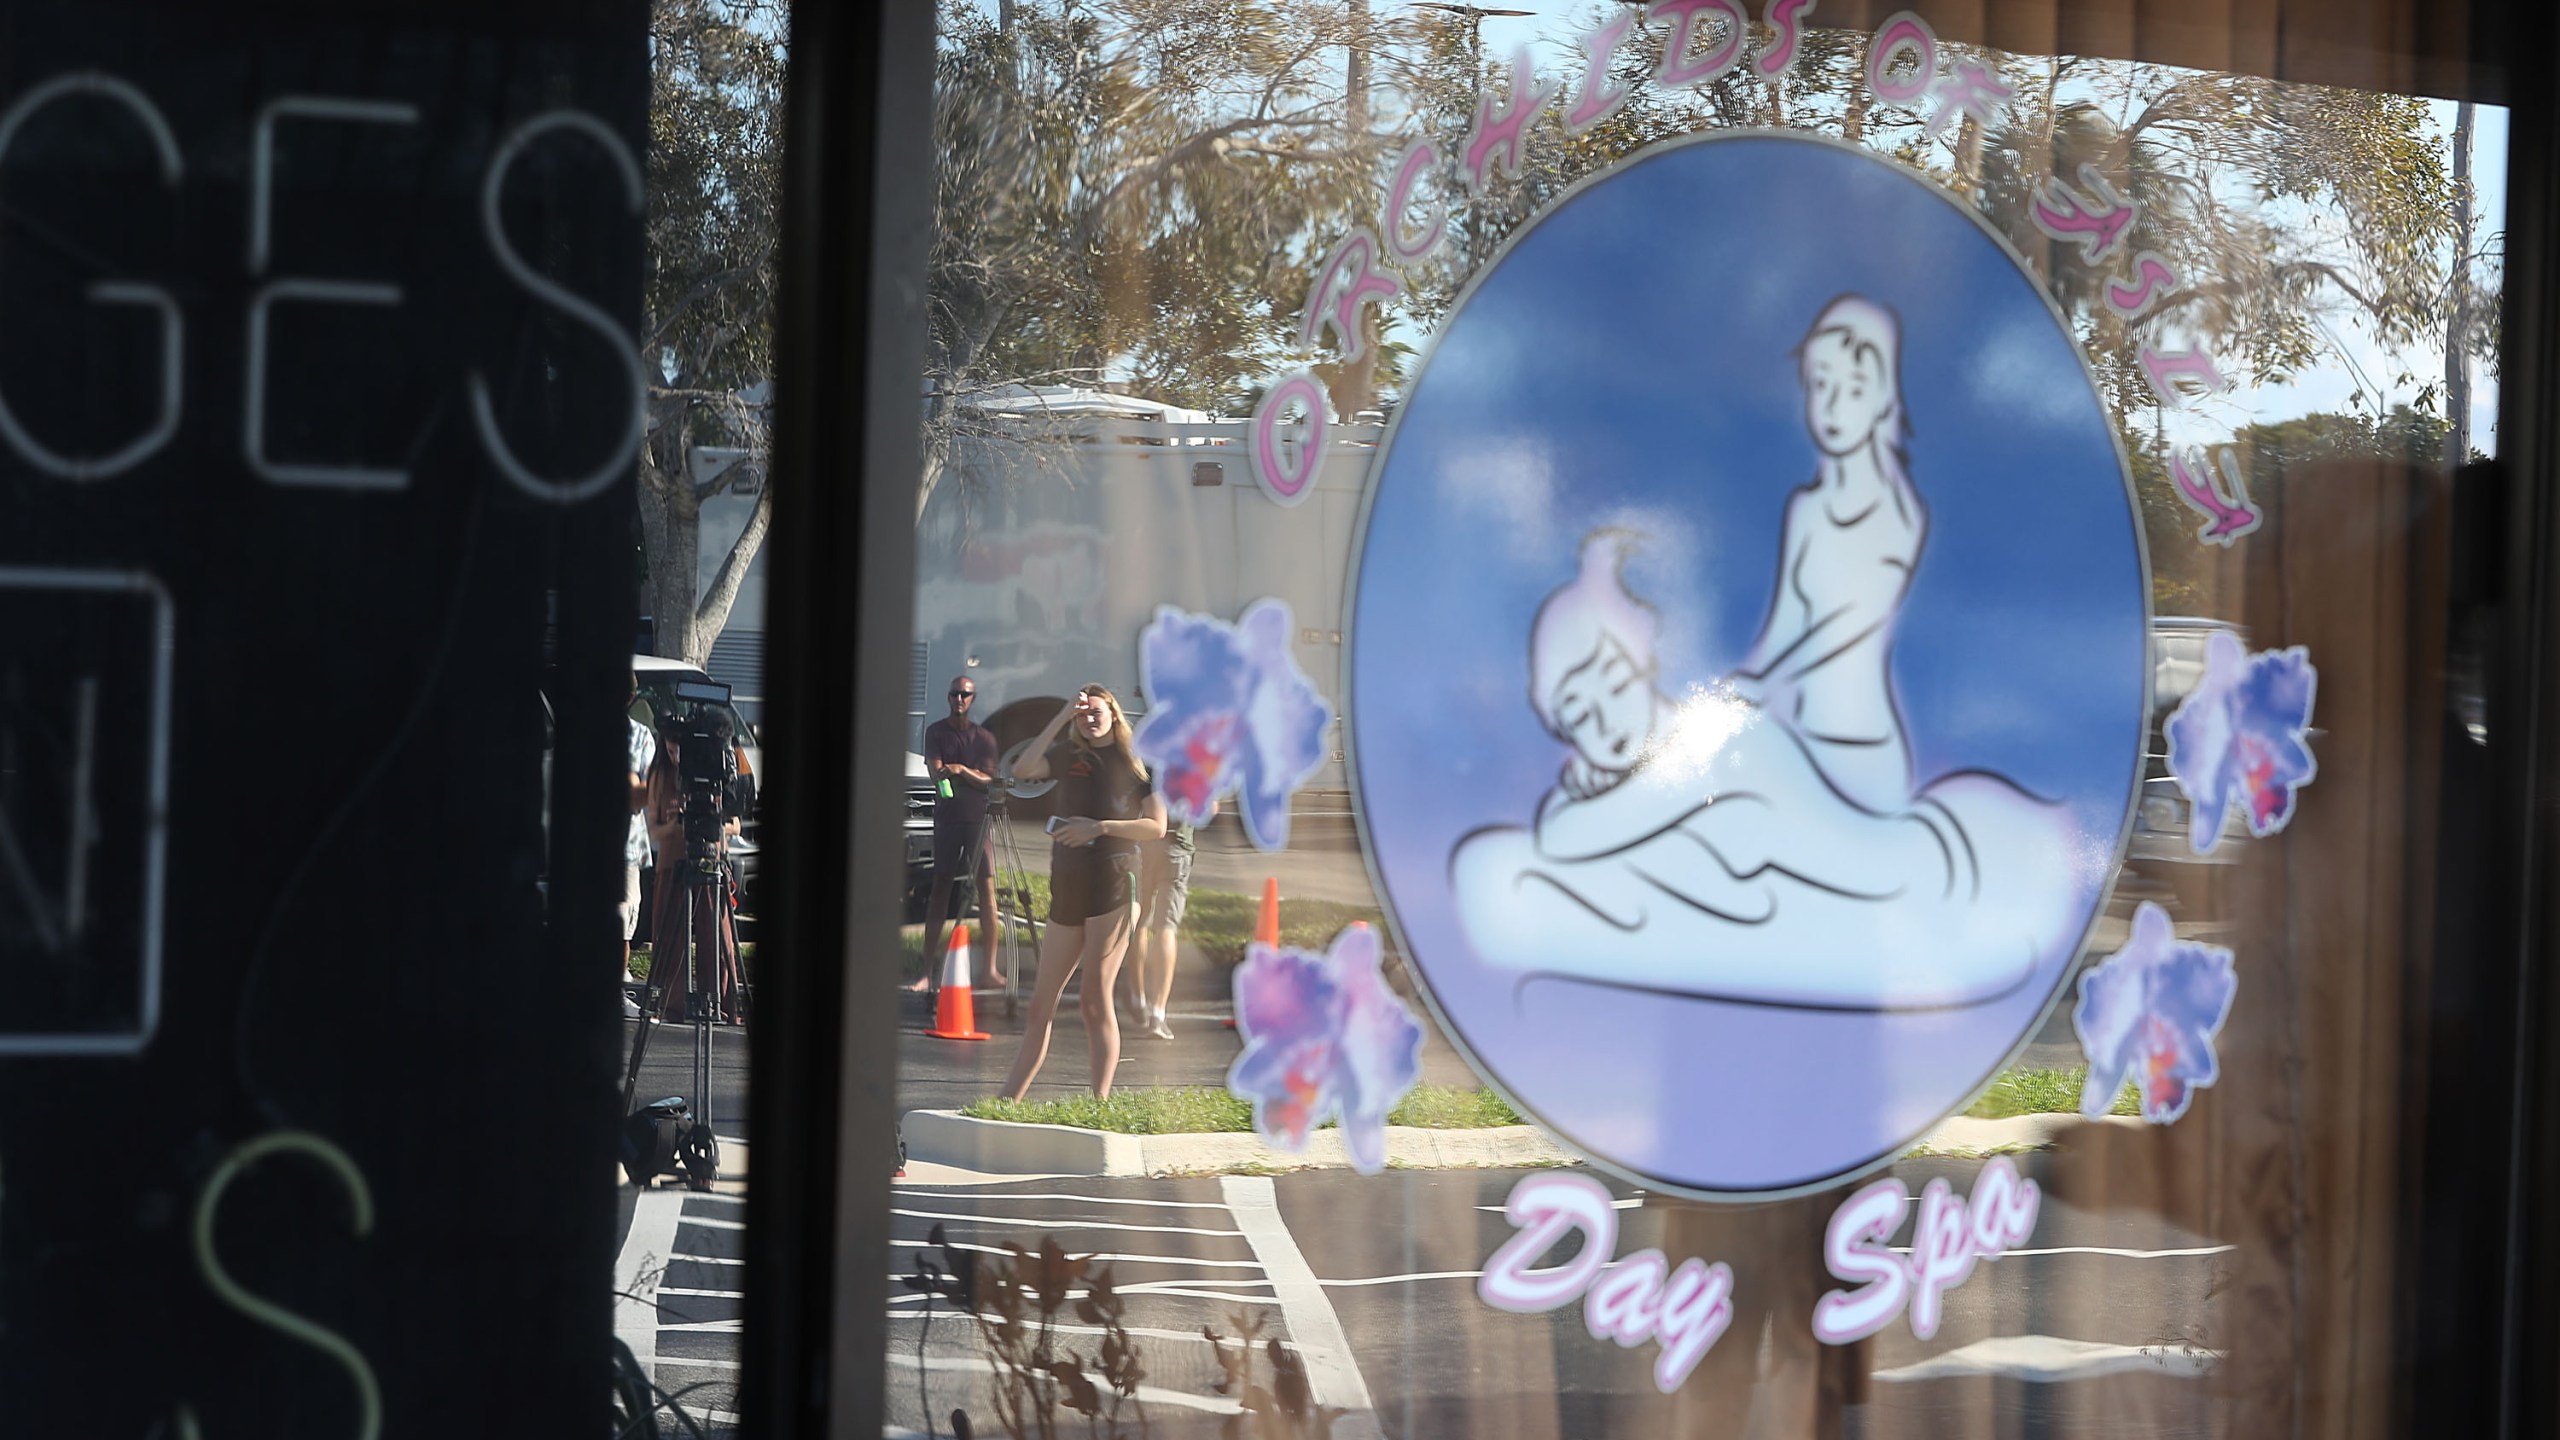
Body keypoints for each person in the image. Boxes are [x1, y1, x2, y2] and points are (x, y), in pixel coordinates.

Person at [1451, 294, 2079, 1011]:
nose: (1833, 405)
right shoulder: (1807, 510)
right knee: (1731, 824)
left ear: (1883, 399)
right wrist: (1745, 686)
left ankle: (1902, 877)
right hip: (1790, 727)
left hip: (1854, 746)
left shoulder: (1896, 514)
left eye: (1852, 387)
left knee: (1747, 793)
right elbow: (1783, 630)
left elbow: (1837, 631)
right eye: (1821, 387)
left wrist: (1750, 697)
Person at [997, 685, 1167, 1099]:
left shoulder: (1137, 762)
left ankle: (1099, 1102)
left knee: (1094, 999)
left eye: (1097, 711)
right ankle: (1007, 1101)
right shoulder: (1068, 756)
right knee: (1041, 1004)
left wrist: (1100, 827)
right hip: (1068, 884)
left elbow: (1156, 827)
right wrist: (1058, 719)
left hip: (1113, 883)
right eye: (1082, 713)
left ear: (1114, 712)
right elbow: (1023, 770)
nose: (1090, 718)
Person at [646, 708, 747, 1023]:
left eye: (680, 749)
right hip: (672, 865)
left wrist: (712, 820)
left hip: (711, 861)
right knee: (669, 940)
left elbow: (735, 825)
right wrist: (680, 824)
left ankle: (723, 1003)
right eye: (671, 749)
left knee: (718, 937)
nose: (676, 755)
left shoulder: (719, 771)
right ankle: (670, 1004)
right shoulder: (661, 775)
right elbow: (654, 830)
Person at [908, 676, 1001, 995]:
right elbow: (936, 771)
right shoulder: (936, 732)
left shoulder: (984, 738)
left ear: (973, 699)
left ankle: (989, 969)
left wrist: (961, 770)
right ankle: (926, 972)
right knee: (940, 890)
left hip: (978, 820)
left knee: (987, 891)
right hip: (948, 821)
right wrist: (958, 774)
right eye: (954, 694)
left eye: (965, 694)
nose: (959, 699)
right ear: (948, 698)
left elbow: (989, 780)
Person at [1129, 793, 1214, 1040]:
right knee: (1166, 928)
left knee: (1138, 921)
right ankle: (1158, 1013)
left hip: (1144, 840)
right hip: (1177, 845)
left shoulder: (1146, 755)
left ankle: (1137, 998)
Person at [623, 673, 655, 1019]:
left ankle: (615, 988)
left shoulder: (640, 735)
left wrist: (632, 786)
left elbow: (648, 793)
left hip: (626, 846)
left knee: (623, 921)